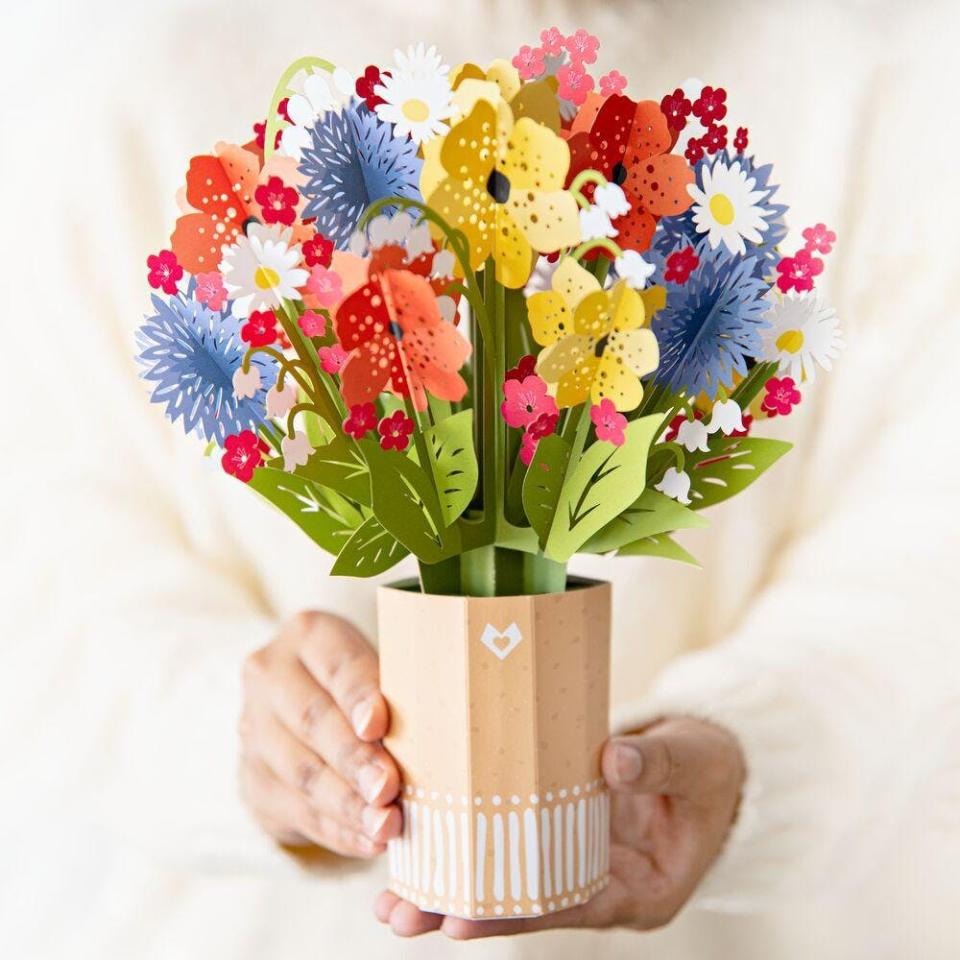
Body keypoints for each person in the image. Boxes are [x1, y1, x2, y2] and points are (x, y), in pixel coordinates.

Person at [3, 0, 958, 957]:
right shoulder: (135, 108)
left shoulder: (885, 96)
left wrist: (753, 759)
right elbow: (47, 580)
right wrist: (241, 734)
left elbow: (925, 566)